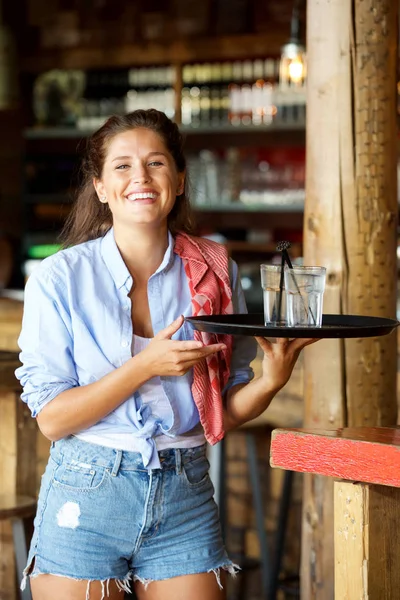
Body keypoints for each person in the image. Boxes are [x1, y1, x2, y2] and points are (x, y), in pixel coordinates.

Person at [16, 109, 316, 600]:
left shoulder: (214, 272)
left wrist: (269, 381)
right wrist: (144, 366)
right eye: (122, 166)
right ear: (100, 187)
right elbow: (53, 420)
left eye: (156, 163)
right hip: (87, 493)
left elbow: (217, 413)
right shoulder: (59, 279)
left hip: (184, 493)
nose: (141, 177)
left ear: (178, 181)